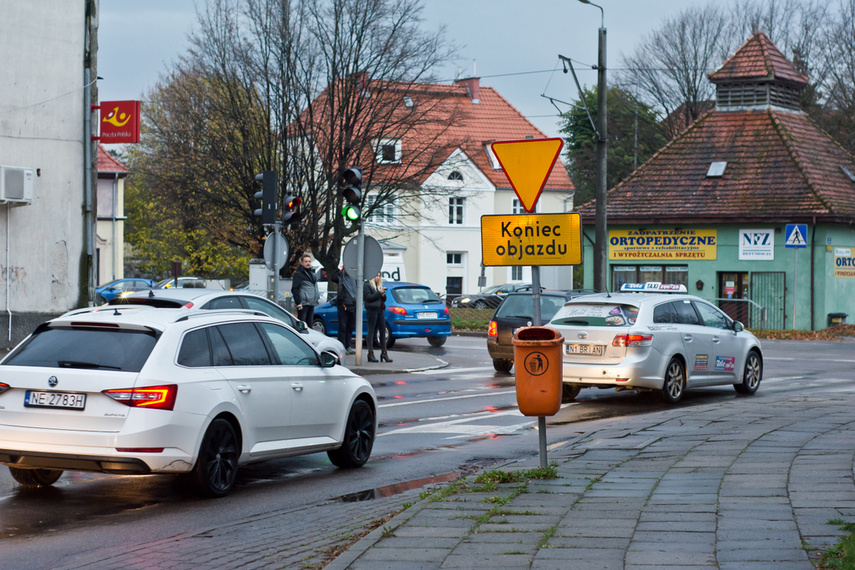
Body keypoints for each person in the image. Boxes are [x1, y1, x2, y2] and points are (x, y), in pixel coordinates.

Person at [364, 273, 392, 363]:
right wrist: (379, 293)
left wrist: (383, 295)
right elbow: (368, 298)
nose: (378, 277)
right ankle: (370, 353)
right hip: (372, 310)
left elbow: (383, 299)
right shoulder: (367, 285)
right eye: (376, 275)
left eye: (379, 276)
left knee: (383, 331)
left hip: (380, 309)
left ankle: (384, 353)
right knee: (371, 331)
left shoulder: (378, 285)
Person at [333, 266, 358, 354]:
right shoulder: (341, 277)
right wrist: (338, 270)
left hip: (353, 306)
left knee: (350, 327)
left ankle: (348, 346)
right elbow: (333, 277)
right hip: (343, 305)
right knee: (342, 327)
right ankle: (342, 347)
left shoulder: (354, 278)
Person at [291, 254, 320, 325]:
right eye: (306, 261)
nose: (308, 263)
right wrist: (298, 303)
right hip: (303, 304)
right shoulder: (298, 274)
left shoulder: (312, 274)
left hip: (311, 303)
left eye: (309, 261)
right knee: (302, 325)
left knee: (309, 324)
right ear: (302, 263)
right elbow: (295, 289)